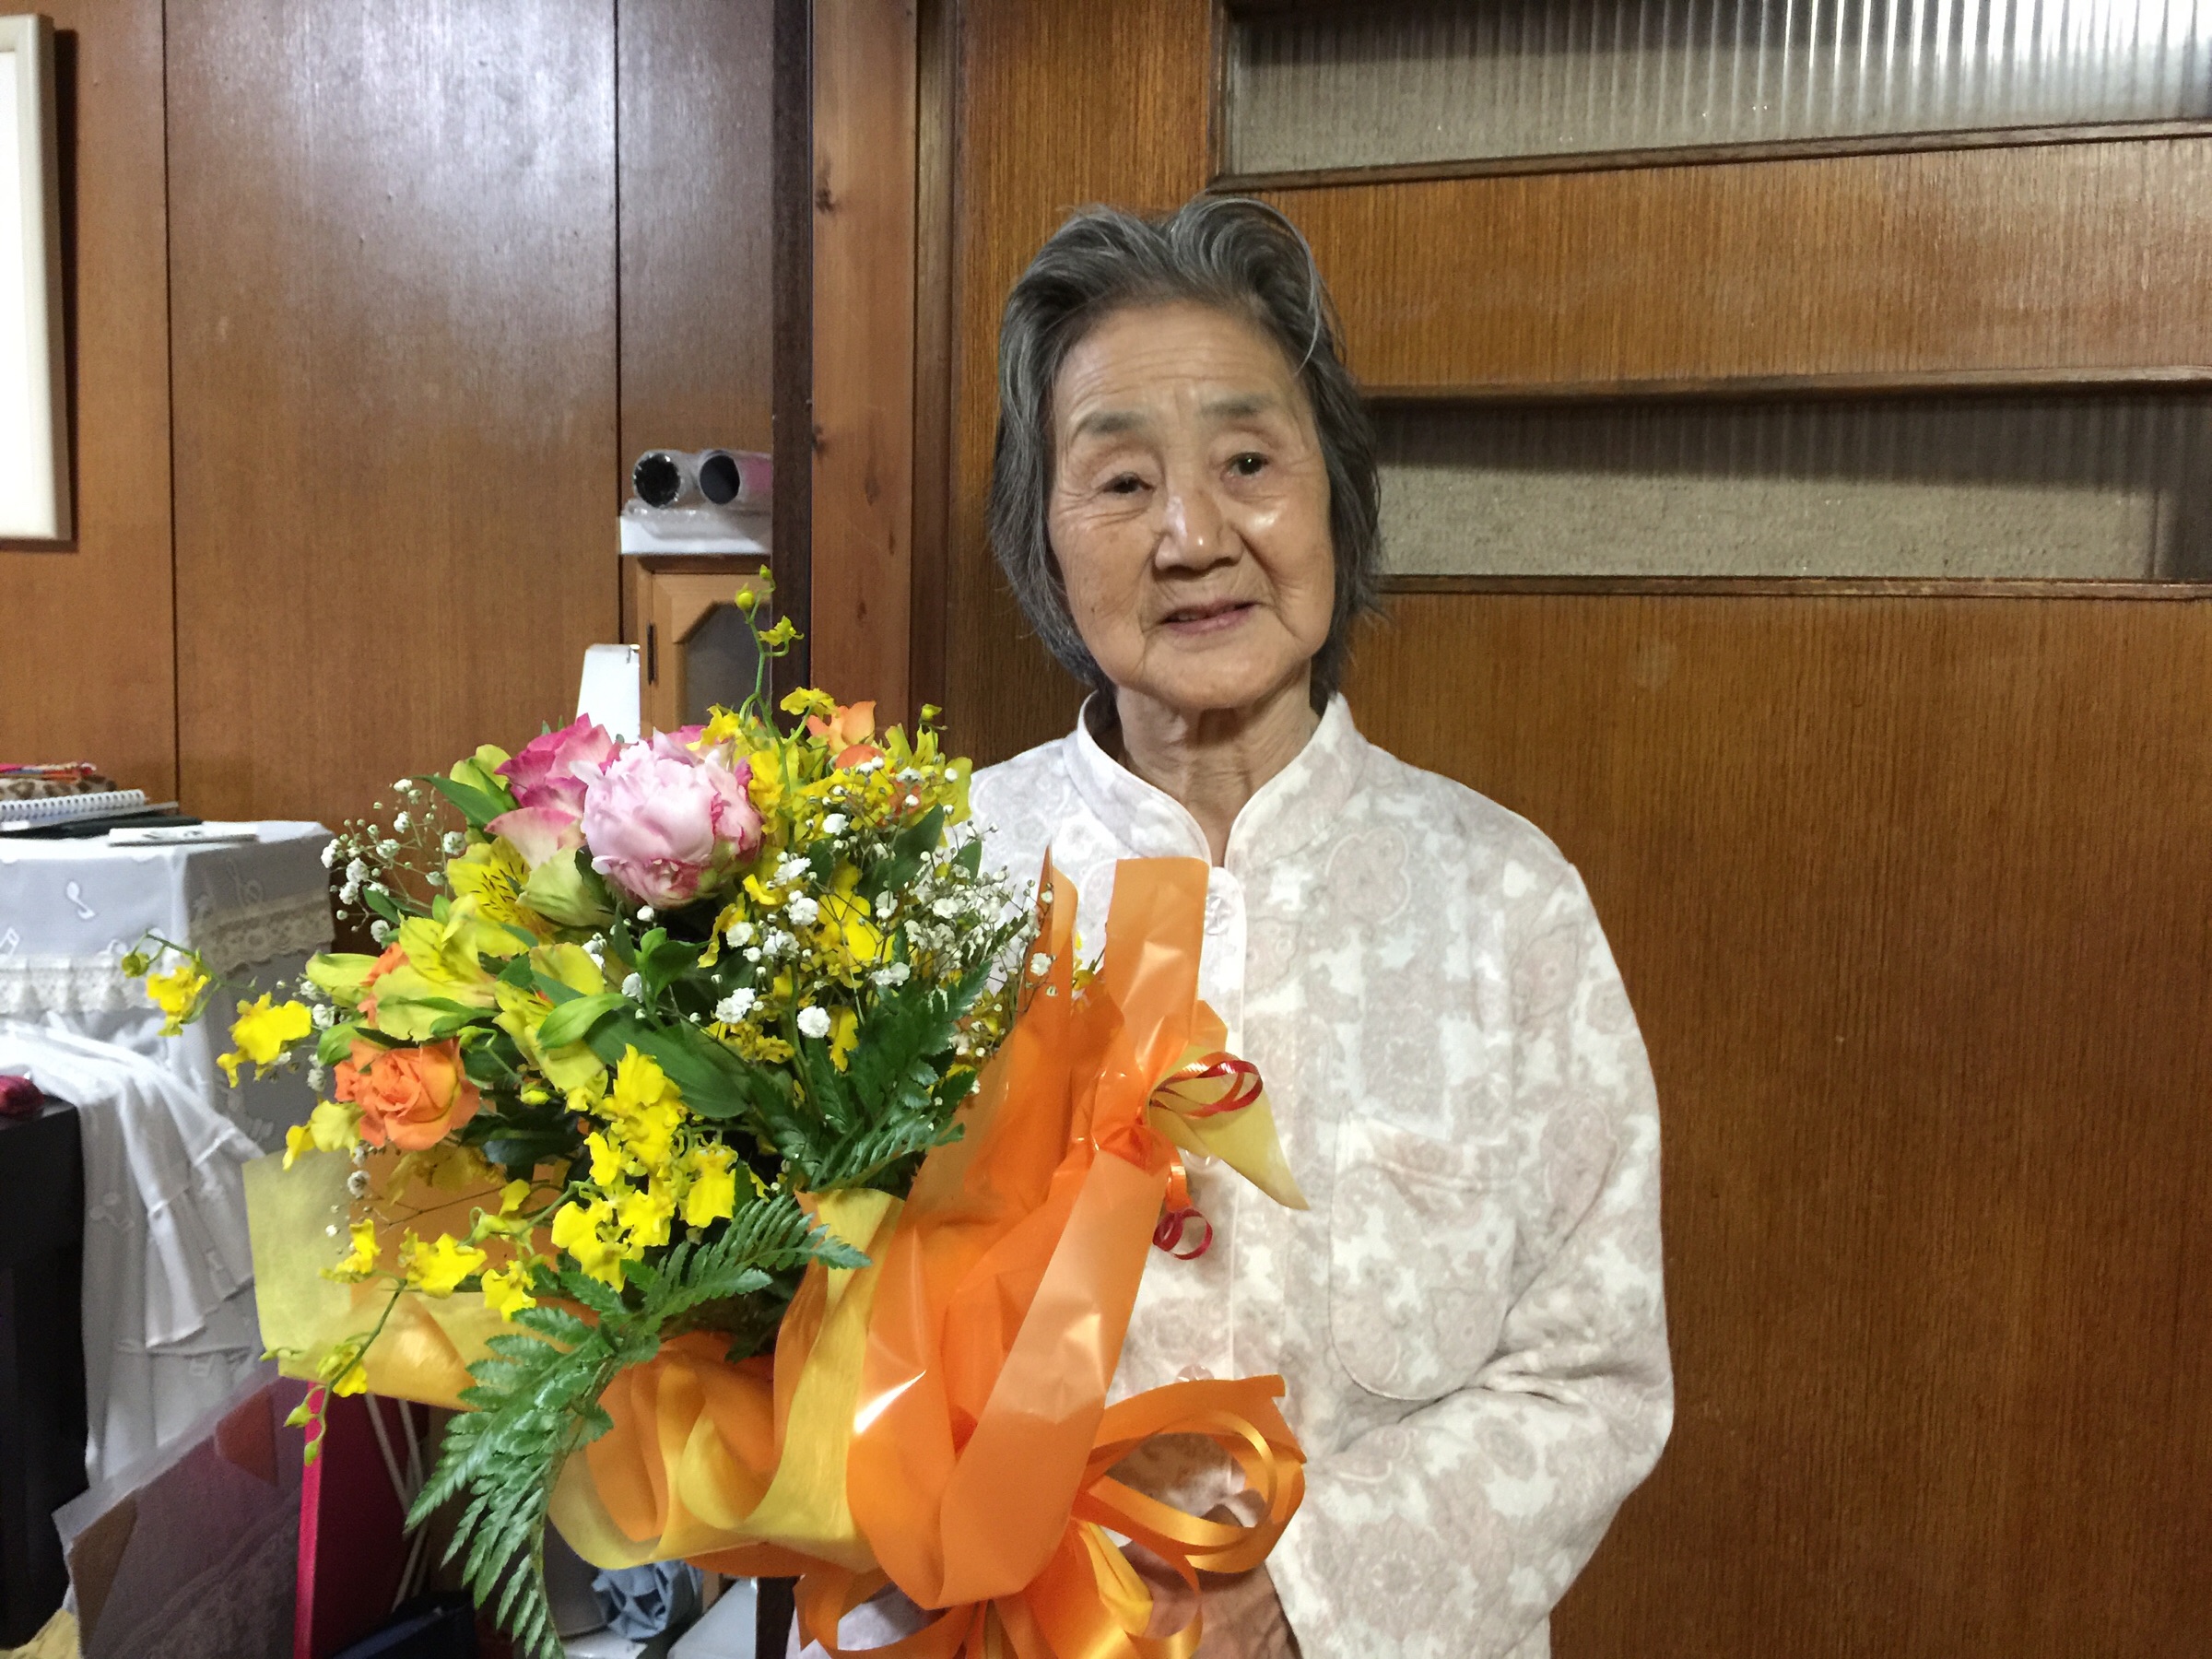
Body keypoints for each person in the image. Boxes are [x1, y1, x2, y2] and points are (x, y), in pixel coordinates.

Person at [962, 196, 1674, 1658]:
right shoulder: (933, 884)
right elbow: (810, 1340)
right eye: (1120, 481)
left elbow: (1591, 1373)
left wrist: (1298, 1593)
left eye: (1247, 463)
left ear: (1334, 499)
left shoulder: (1504, 899)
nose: (1192, 536)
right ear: (1044, 540)